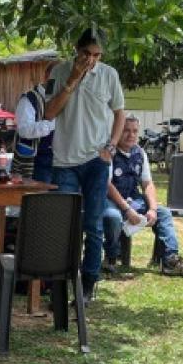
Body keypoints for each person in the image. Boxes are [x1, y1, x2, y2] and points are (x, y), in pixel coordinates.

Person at [44, 26, 125, 301]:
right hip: (64, 160)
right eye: (87, 54)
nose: (92, 61)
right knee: (64, 225)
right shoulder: (58, 71)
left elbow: (119, 114)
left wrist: (112, 146)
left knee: (94, 223)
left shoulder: (109, 75)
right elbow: (49, 112)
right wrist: (73, 79)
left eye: (97, 55)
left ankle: (88, 284)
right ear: (76, 51)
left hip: (96, 160)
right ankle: (59, 282)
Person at [102, 116, 183, 277]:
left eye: (134, 131)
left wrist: (153, 209)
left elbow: (147, 184)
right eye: (126, 130)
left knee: (163, 213)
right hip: (111, 201)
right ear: (117, 131)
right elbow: (107, 184)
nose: (131, 135)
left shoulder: (140, 153)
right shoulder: (109, 152)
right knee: (112, 217)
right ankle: (111, 259)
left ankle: (170, 260)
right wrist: (127, 210)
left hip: (133, 199)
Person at [11, 60, 57, 183]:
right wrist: (53, 124)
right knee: (39, 200)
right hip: (37, 163)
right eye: (58, 76)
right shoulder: (29, 98)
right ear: (47, 76)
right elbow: (24, 130)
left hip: (60, 162)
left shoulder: (62, 100)